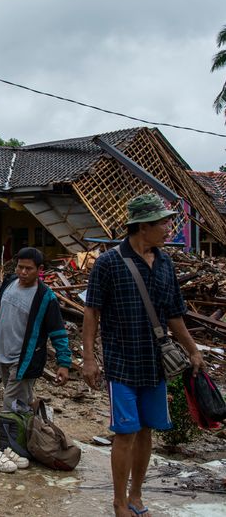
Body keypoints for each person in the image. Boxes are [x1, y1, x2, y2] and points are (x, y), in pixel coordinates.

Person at [82, 194, 204, 517]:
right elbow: (91, 312)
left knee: (147, 430)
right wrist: (89, 358)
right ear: (142, 227)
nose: (168, 228)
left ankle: (136, 496)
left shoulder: (165, 264)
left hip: (156, 365)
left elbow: (175, 314)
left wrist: (193, 349)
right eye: (163, 223)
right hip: (122, 363)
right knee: (125, 433)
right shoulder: (108, 264)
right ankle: (119, 503)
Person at [0, 247, 71, 470]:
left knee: (9, 406)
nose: (23, 272)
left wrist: (64, 363)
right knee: (22, 405)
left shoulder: (45, 297)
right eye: (20, 267)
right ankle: (22, 446)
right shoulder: (9, 283)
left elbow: (58, 332)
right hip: (2, 355)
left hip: (24, 360)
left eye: (29, 269)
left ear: (40, 270)